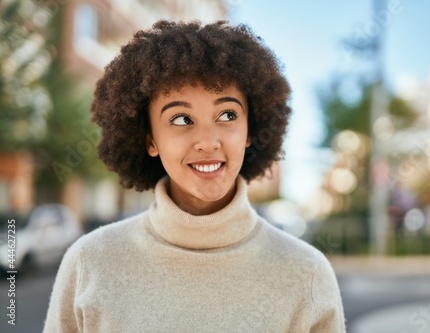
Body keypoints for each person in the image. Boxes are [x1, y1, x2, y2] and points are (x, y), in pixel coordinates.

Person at [43, 20, 345, 332]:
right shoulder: (90, 263)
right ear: (150, 139)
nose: (208, 141)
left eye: (227, 115)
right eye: (181, 118)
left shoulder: (306, 274)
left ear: (249, 132)